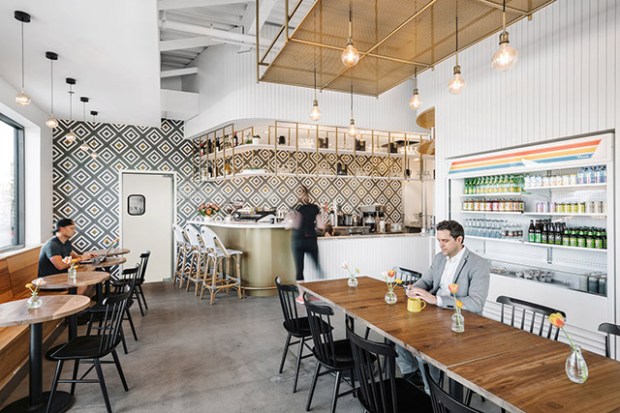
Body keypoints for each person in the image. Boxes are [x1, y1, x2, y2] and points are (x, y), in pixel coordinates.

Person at [396, 220, 490, 390]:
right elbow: (426, 280)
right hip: (434, 313)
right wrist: (414, 288)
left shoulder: (478, 264)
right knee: (398, 333)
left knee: (430, 346)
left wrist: (437, 300)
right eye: (439, 240)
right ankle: (412, 375)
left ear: (459, 239)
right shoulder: (440, 257)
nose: (441, 245)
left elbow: (476, 303)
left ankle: (432, 391)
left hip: (461, 320)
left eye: (445, 241)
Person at [287, 186, 324, 302]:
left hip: (298, 240)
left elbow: (295, 225)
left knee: (299, 269)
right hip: (311, 239)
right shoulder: (315, 208)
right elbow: (321, 226)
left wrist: (288, 224)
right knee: (317, 266)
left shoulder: (296, 208)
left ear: (297, 195)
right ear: (308, 194)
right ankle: (318, 295)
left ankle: (301, 296)